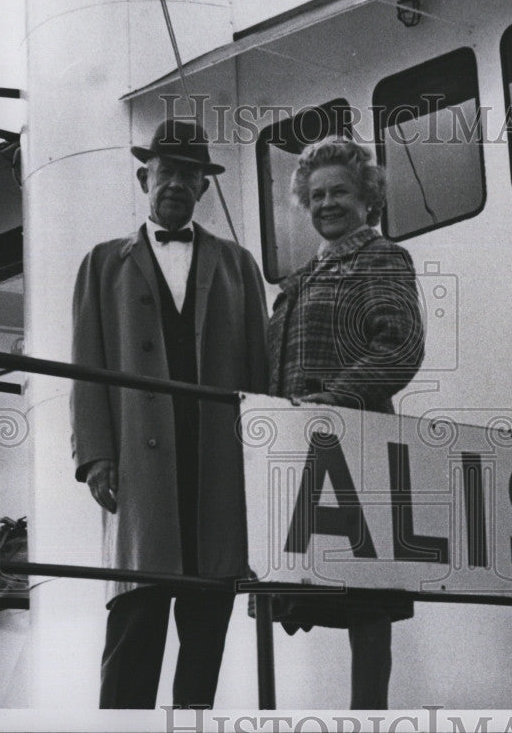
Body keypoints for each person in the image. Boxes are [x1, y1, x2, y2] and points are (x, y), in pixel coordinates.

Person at [70, 118, 269, 709]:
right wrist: (97, 458)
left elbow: (257, 372)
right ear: (143, 178)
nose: (177, 183)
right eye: (166, 171)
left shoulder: (239, 266)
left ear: (205, 187)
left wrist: (260, 472)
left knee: (206, 642)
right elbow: (86, 368)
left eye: (190, 173)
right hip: (139, 473)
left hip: (217, 473)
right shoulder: (102, 264)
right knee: (134, 632)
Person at [265, 137, 424, 708]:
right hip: (301, 455)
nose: (326, 203)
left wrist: (333, 400)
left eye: (339, 192)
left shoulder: (381, 258)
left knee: (366, 601)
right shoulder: (299, 279)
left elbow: (399, 346)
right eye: (316, 195)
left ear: (367, 200)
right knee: (307, 585)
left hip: (358, 446)